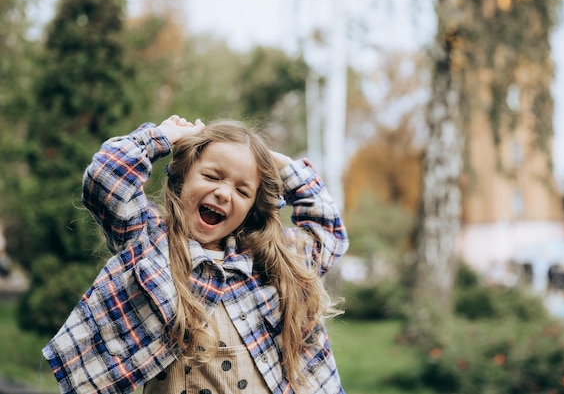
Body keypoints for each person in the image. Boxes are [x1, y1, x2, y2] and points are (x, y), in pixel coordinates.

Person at [42, 115, 349, 394]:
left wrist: (282, 166)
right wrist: (161, 136)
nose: (224, 193)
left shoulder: (267, 260)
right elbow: (104, 179)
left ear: (252, 208)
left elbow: (330, 233)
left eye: (242, 191)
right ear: (182, 178)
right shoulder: (150, 243)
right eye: (213, 176)